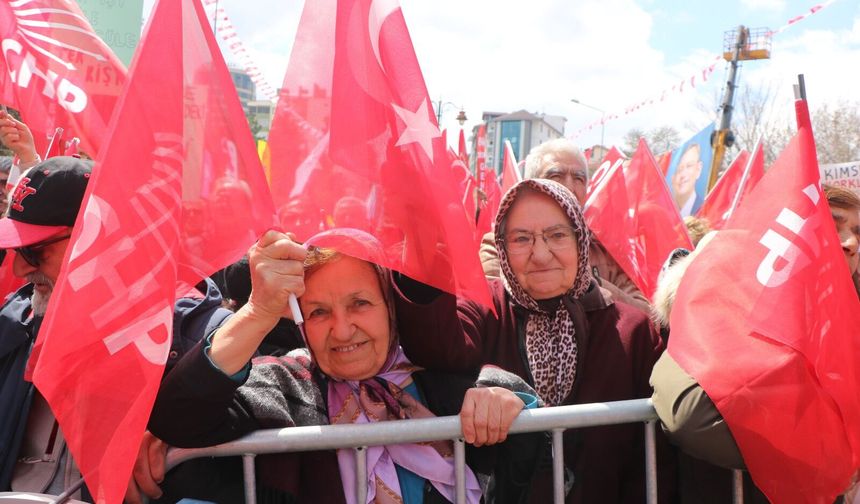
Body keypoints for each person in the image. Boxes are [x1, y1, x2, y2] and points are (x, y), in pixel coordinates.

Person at [146, 229, 544, 504]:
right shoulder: (286, 384)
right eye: (319, 312)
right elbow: (177, 417)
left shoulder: (444, 383)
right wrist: (259, 312)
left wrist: (508, 407)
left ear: (390, 308)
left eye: (360, 304)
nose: (342, 329)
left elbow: (541, 465)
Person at [395, 178, 674, 503]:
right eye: (521, 239)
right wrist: (423, 259)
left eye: (557, 235)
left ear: (581, 240)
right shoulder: (486, 307)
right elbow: (438, 345)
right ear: (502, 247)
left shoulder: (633, 331)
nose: (540, 255)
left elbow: (653, 462)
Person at [0, 157, 232, 501]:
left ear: (98, 238)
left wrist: (172, 427)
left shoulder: (199, 333)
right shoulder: (14, 322)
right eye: (16, 249)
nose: (19, 268)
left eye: (35, 251)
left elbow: (268, 410)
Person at [650, 184, 860, 503]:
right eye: (832, 225)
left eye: (858, 232)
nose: (851, 243)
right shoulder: (713, 313)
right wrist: (825, 457)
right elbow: (690, 416)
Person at [480, 138, 650, 313]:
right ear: (530, 185)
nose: (569, 186)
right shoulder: (501, 243)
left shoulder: (604, 249)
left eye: (578, 178)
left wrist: (591, 284)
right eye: (556, 176)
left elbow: (646, 316)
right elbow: (487, 306)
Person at [670, 143, 704, 217]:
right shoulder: (662, 212)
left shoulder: (705, 212)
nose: (683, 174)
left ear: (698, 169)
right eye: (679, 169)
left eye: (689, 166)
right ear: (672, 178)